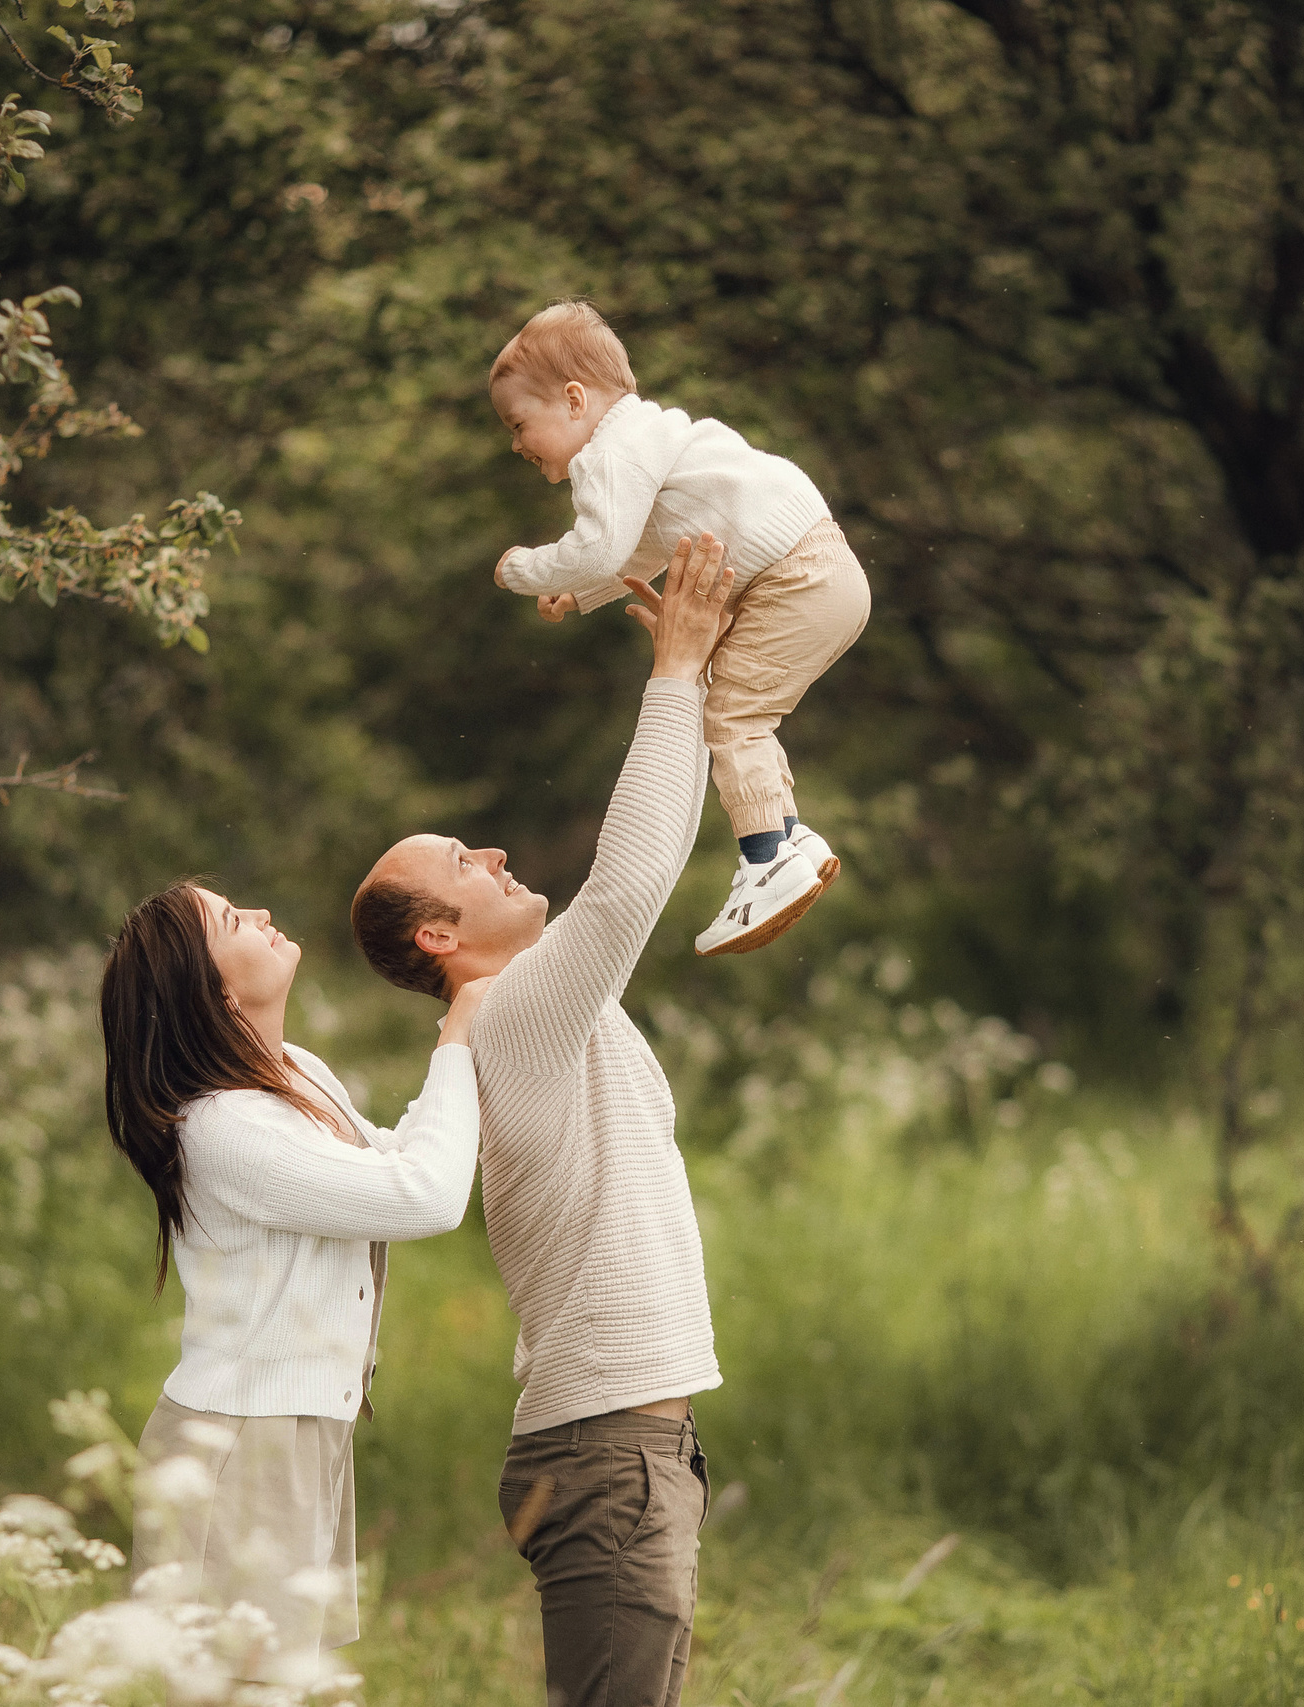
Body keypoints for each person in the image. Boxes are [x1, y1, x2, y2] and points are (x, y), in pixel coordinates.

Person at [350, 533, 739, 1707]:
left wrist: (702, 678)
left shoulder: (543, 1009)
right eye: (464, 860)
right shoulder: (509, 1012)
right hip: (605, 1451)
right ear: (438, 936)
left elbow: (651, 863)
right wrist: (669, 677)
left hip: (634, 1447)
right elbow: (627, 888)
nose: (497, 849)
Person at [96, 879, 491, 1674]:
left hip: (299, 1430)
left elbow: (395, 1159)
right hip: (242, 1445)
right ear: (212, 988)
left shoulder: (295, 1074)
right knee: (239, 1688)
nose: (265, 914)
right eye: (235, 921)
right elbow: (426, 1195)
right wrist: (457, 1036)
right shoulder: (223, 1124)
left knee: (271, 1679)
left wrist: (467, 1037)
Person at [487, 299, 870, 957]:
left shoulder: (607, 457)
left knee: (730, 716)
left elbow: (604, 546)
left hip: (794, 579)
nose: (516, 443)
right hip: (822, 570)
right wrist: (577, 591)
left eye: (520, 423)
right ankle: (789, 839)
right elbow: (640, 549)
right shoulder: (651, 442)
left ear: (576, 400)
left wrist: (527, 569)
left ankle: (764, 861)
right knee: (741, 706)